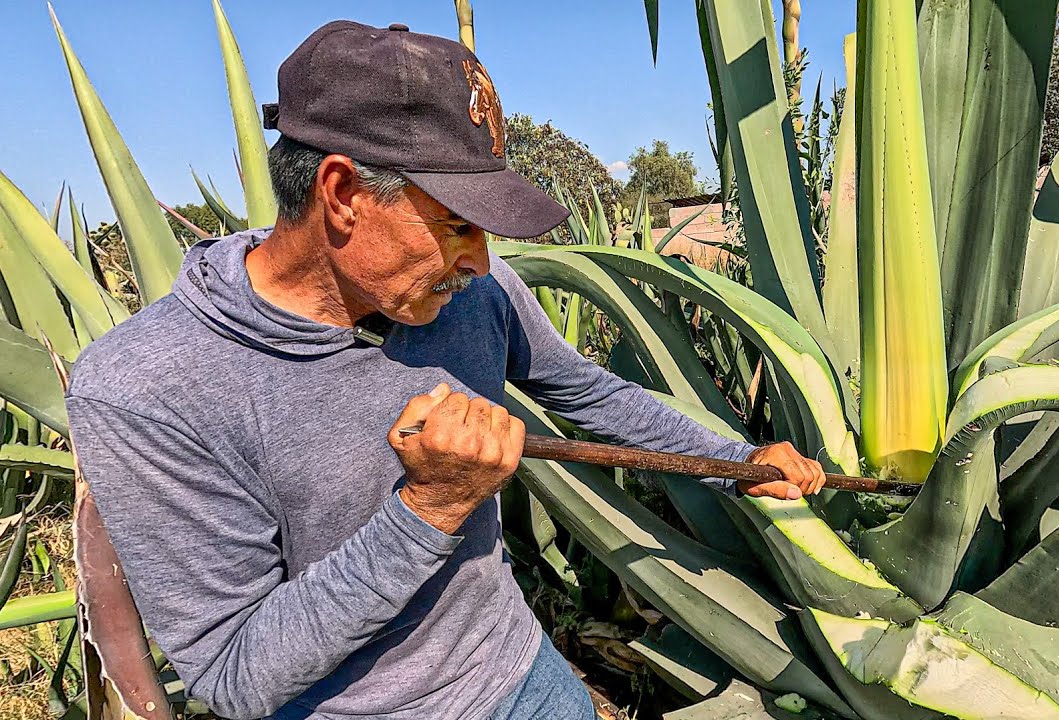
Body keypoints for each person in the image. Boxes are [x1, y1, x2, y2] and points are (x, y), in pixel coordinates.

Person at [65, 21, 825, 720]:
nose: (482, 262)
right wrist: (430, 508)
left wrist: (738, 460)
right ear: (342, 195)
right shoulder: (146, 391)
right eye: (457, 224)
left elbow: (585, 390)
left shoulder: (471, 293)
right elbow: (234, 673)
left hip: (524, 677)